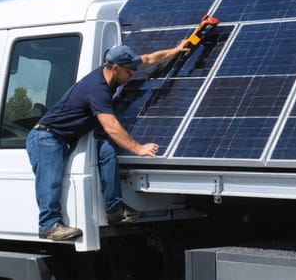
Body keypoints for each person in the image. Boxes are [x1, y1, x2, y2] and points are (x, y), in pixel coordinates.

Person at [26, 39, 190, 241]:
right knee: (50, 180)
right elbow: (111, 127)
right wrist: (138, 148)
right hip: (46, 136)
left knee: (107, 152)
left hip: (68, 137)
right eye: (128, 72)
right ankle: (49, 225)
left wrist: (176, 50)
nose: (131, 75)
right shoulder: (97, 89)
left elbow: (148, 59)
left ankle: (114, 210)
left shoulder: (118, 68)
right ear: (115, 68)